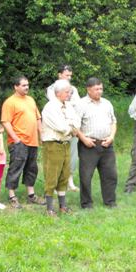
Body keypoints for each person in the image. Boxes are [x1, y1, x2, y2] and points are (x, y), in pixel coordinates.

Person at [1, 76, 45, 209]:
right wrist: (15, 139)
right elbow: (5, 122)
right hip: (19, 142)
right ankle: (12, 196)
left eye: (27, 85)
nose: (27, 87)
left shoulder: (30, 100)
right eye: (24, 85)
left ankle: (31, 195)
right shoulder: (10, 102)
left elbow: (38, 118)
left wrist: (41, 133)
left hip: (33, 141)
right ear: (16, 86)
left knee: (32, 168)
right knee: (16, 168)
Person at [75, 77, 118, 209]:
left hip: (106, 143)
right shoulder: (81, 104)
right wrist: (84, 139)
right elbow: (74, 126)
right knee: (86, 176)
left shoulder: (107, 103)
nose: (99, 91)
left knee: (110, 174)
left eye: (101, 89)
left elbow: (113, 122)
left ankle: (110, 201)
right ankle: (87, 203)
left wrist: (111, 137)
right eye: (96, 89)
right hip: (89, 145)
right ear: (88, 89)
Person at [41, 80, 81, 216]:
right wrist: (70, 127)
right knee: (52, 175)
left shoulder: (69, 106)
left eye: (70, 92)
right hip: (53, 144)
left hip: (65, 144)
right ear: (58, 93)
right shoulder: (50, 107)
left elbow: (77, 122)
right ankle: (49, 209)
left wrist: (70, 126)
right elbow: (61, 126)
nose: (70, 94)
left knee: (64, 175)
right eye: (67, 92)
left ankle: (63, 206)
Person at [47, 64, 81, 192]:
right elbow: (56, 103)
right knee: (57, 157)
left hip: (72, 126)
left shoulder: (74, 89)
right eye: (67, 75)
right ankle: (55, 184)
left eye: (70, 76)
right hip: (58, 127)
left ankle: (69, 180)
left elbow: (77, 105)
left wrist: (70, 104)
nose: (69, 78)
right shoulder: (52, 88)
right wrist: (70, 104)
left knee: (72, 155)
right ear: (59, 75)